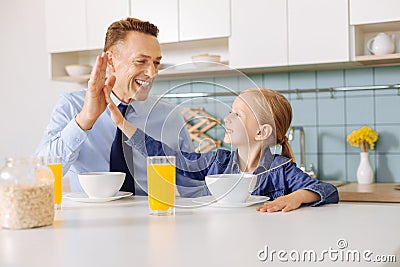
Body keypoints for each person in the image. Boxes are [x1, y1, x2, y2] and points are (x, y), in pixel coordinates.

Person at [36, 17, 204, 197]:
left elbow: (192, 184)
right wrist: (85, 119)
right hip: (89, 221)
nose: (152, 73)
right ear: (110, 61)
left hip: (152, 217)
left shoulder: (168, 114)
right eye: (141, 61)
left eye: (156, 63)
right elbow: (42, 174)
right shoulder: (72, 106)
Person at [104, 86, 339, 212]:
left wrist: (297, 197)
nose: (227, 118)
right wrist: (124, 126)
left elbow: (327, 190)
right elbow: (172, 158)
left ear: (261, 133)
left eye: (237, 115)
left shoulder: (281, 169)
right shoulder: (217, 161)